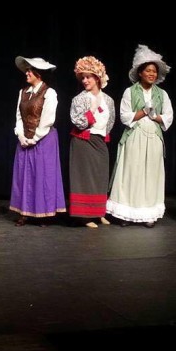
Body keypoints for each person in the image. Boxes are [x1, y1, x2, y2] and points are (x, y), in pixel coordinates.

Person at [107, 45, 173, 228]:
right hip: (135, 135)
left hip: (153, 136)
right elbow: (125, 116)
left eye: (154, 71)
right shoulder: (130, 91)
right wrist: (143, 112)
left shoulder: (162, 94)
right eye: (148, 71)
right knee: (131, 172)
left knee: (151, 174)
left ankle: (148, 213)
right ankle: (126, 213)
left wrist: (155, 116)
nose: (152, 74)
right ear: (140, 73)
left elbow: (168, 116)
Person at [9, 56, 66, 226]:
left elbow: (48, 119)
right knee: (24, 176)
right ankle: (24, 211)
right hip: (25, 139)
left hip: (44, 140)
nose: (26, 73)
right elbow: (19, 116)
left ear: (38, 73)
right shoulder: (23, 92)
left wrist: (34, 138)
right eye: (26, 70)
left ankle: (43, 213)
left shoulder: (49, 92)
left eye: (29, 70)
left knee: (42, 176)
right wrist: (21, 135)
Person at [69, 56, 115, 228]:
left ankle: (99, 212)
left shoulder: (109, 100)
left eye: (88, 76)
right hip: (83, 141)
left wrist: (103, 134)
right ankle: (85, 215)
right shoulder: (79, 99)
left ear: (97, 77)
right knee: (84, 179)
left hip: (100, 141)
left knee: (100, 176)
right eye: (83, 77)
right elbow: (78, 121)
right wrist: (92, 110)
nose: (85, 80)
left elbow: (110, 122)